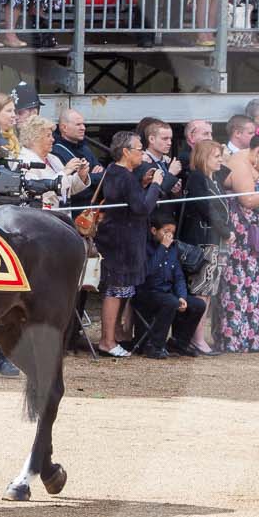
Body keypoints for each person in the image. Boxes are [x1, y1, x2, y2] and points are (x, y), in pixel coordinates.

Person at [94, 130, 164, 357]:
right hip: (120, 244)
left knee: (122, 290)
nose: (142, 153)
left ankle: (114, 336)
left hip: (122, 242)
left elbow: (129, 200)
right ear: (126, 152)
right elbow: (141, 209)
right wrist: (155, 185)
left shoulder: (117, 173)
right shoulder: (122, 174)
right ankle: (107, 340)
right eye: (139, 149)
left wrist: (142, 184)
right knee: (115, 290)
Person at [218, 129, 259, 352]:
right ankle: (234, 339)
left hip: (257, 237)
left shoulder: (255, 165)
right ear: (257, 151)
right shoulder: (239, 164)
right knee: (237, 286)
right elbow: (247, 199)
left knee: (254, 286)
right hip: (240, 237)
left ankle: (250, 338)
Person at [133, 212, 207, 358]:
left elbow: (178, 276)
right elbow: (148, 271)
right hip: (146, 292)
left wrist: (182, 296)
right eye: (166, 232)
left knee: (198, 304)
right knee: (170, 302)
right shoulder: (144, 247)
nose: (169, 236)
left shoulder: (173, 249)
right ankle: (154, 346)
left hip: (167, 292)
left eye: (172, 233)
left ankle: (179, 343)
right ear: (154, 230)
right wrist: (162, 248)